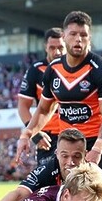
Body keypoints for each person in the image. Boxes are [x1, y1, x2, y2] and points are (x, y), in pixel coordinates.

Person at [16, 10, 102, 176]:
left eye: (83, 35)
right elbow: (43, 109)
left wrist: (98, 149)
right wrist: (27, 134)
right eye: (73, 34)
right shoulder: (53, 69)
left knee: (99, 198)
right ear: (64, 36)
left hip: (94, 142)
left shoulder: (101, 69)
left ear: (89, 38)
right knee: (50, 194)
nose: (78, 39)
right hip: (66, 145)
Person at [18, 27, 65, 165]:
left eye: (61, 47)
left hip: (74, 131)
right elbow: (22, 106)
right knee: (48, 183)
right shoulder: (36, 70)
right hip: (47, 136)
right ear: (45, 47)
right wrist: (35, 133)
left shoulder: (78, 68)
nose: (57, 52)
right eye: (52, 48)